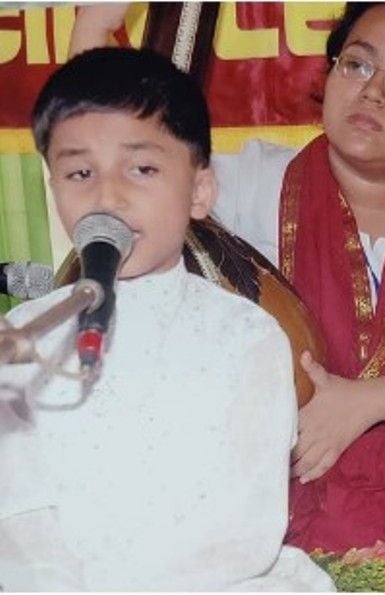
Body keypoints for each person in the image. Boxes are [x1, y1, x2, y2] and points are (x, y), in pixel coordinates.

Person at [70, 2, 385, 548]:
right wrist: (92, 31)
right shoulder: (250, 184)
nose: (373, 91)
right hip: (270, 476)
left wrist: (365, 403)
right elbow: (126, 183)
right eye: (357, 65)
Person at [0, 47, 332, 590]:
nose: (108, 195)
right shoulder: (23, 339)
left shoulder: (246, 339)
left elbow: (243, 531)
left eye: (142, 168)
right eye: (80, 171)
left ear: (199, 190)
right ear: (52, 189)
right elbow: (15, 514)